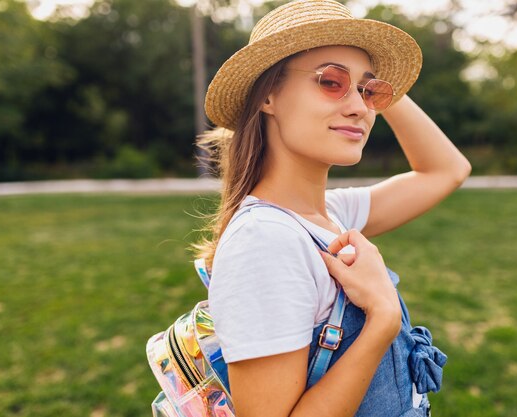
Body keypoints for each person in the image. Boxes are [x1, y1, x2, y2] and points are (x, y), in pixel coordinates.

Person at [192, 1, 472, 416]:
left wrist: (379, 86)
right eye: (330, 81)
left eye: (367, 90)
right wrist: (382, 321)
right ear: (267, 95)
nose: (361, 108)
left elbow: (447, 170)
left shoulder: (327, 213)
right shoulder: (266, 239)